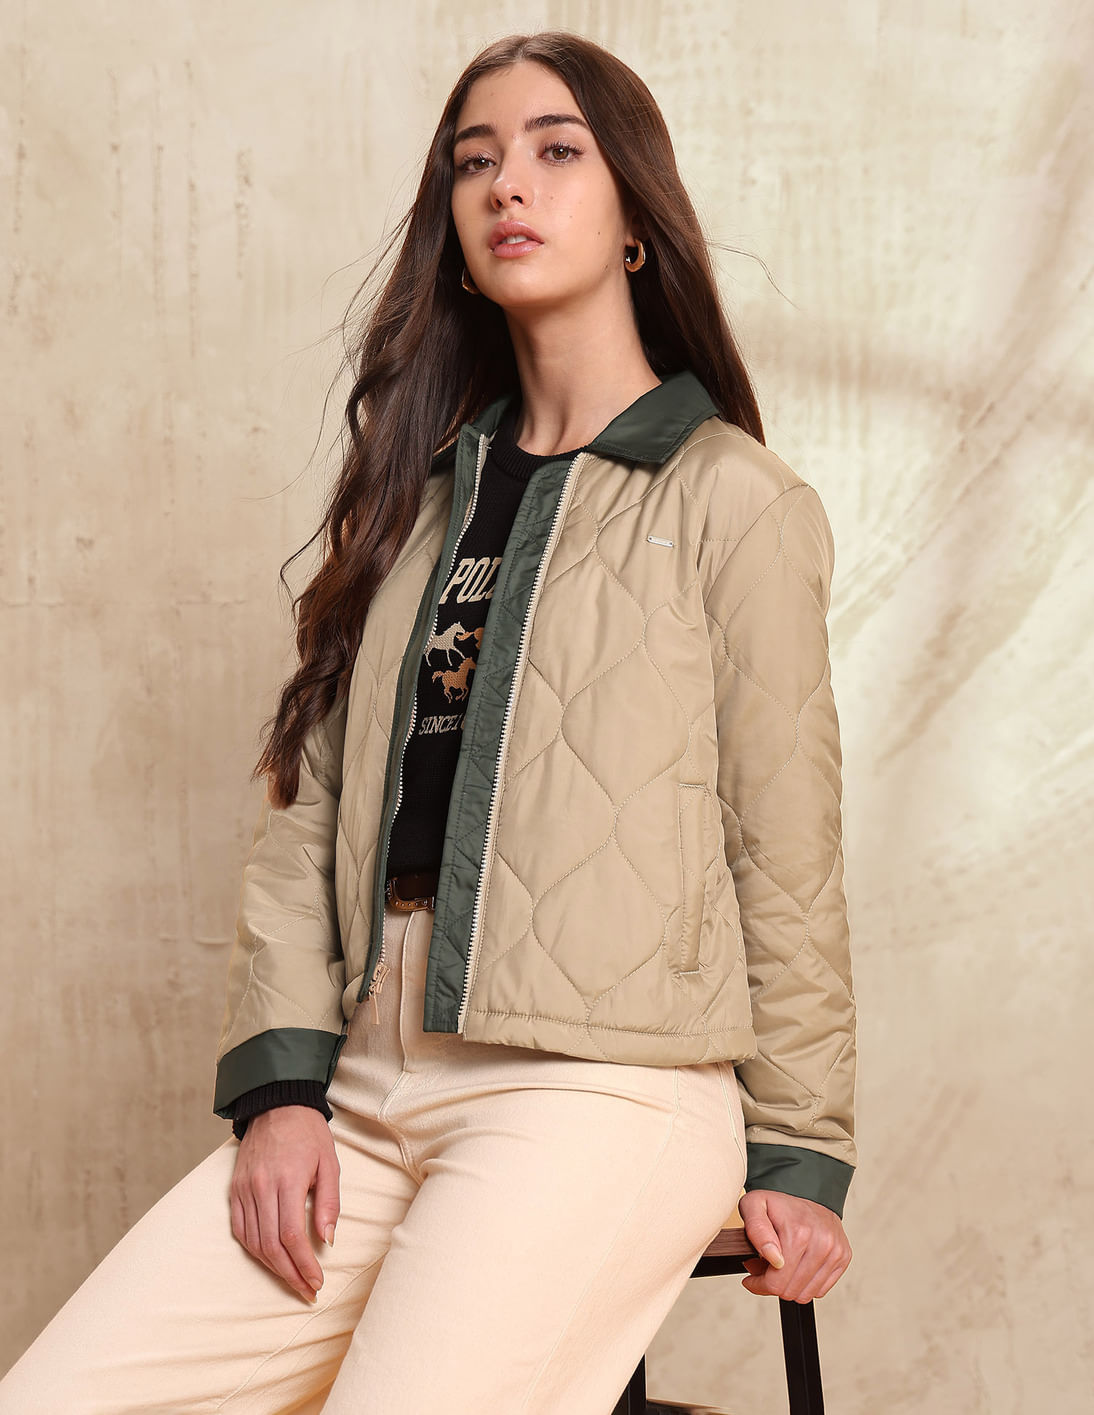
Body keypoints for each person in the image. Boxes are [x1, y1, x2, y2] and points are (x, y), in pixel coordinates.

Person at [0, 30, 856, 1415]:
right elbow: (311, 819)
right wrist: (282, 1094)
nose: (508, 182)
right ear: (452, 233)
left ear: (635, 215)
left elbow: (786, 850)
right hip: (368, 1085)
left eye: (556, 150)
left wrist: (802, 1152)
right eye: (475, 161)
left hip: (601, 1094)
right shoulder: (411, 505)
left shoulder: (733, 501)